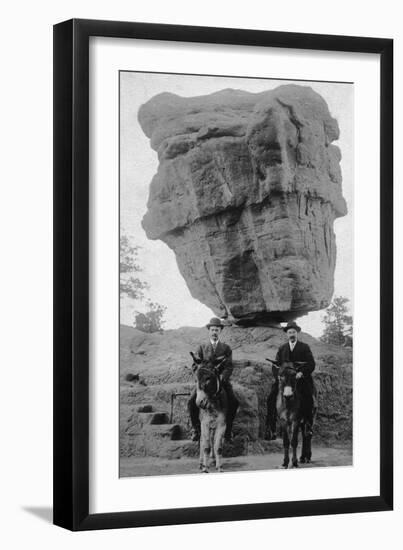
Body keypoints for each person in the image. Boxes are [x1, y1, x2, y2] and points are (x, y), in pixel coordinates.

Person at [188, 317, 239, 443]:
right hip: (204, 382)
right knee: (191, 401)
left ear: (220, 331)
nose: (214, 332)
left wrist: (223, 377)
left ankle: (228, 431)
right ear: (209, 331)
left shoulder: (226, 348)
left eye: (217, 330)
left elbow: (229, 366)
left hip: (220, 381)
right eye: (212, 330)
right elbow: (194, 365)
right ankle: (195, 429)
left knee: (233, 401)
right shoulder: (201, 347)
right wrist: (200, 376)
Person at [266, 321, 315, 439]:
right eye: (289, 332)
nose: (291, 334)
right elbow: (276, 365)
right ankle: (271, 427)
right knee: (271, 397)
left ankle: (308, 424)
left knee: (308, 396)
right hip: (285, 380)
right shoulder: (282, 348)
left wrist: (301, 373)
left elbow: (311, 364)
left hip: (300, 379)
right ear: (286, 334)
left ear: (297, 333)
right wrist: (278, 376)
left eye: (293, 332)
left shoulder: (304, 347)